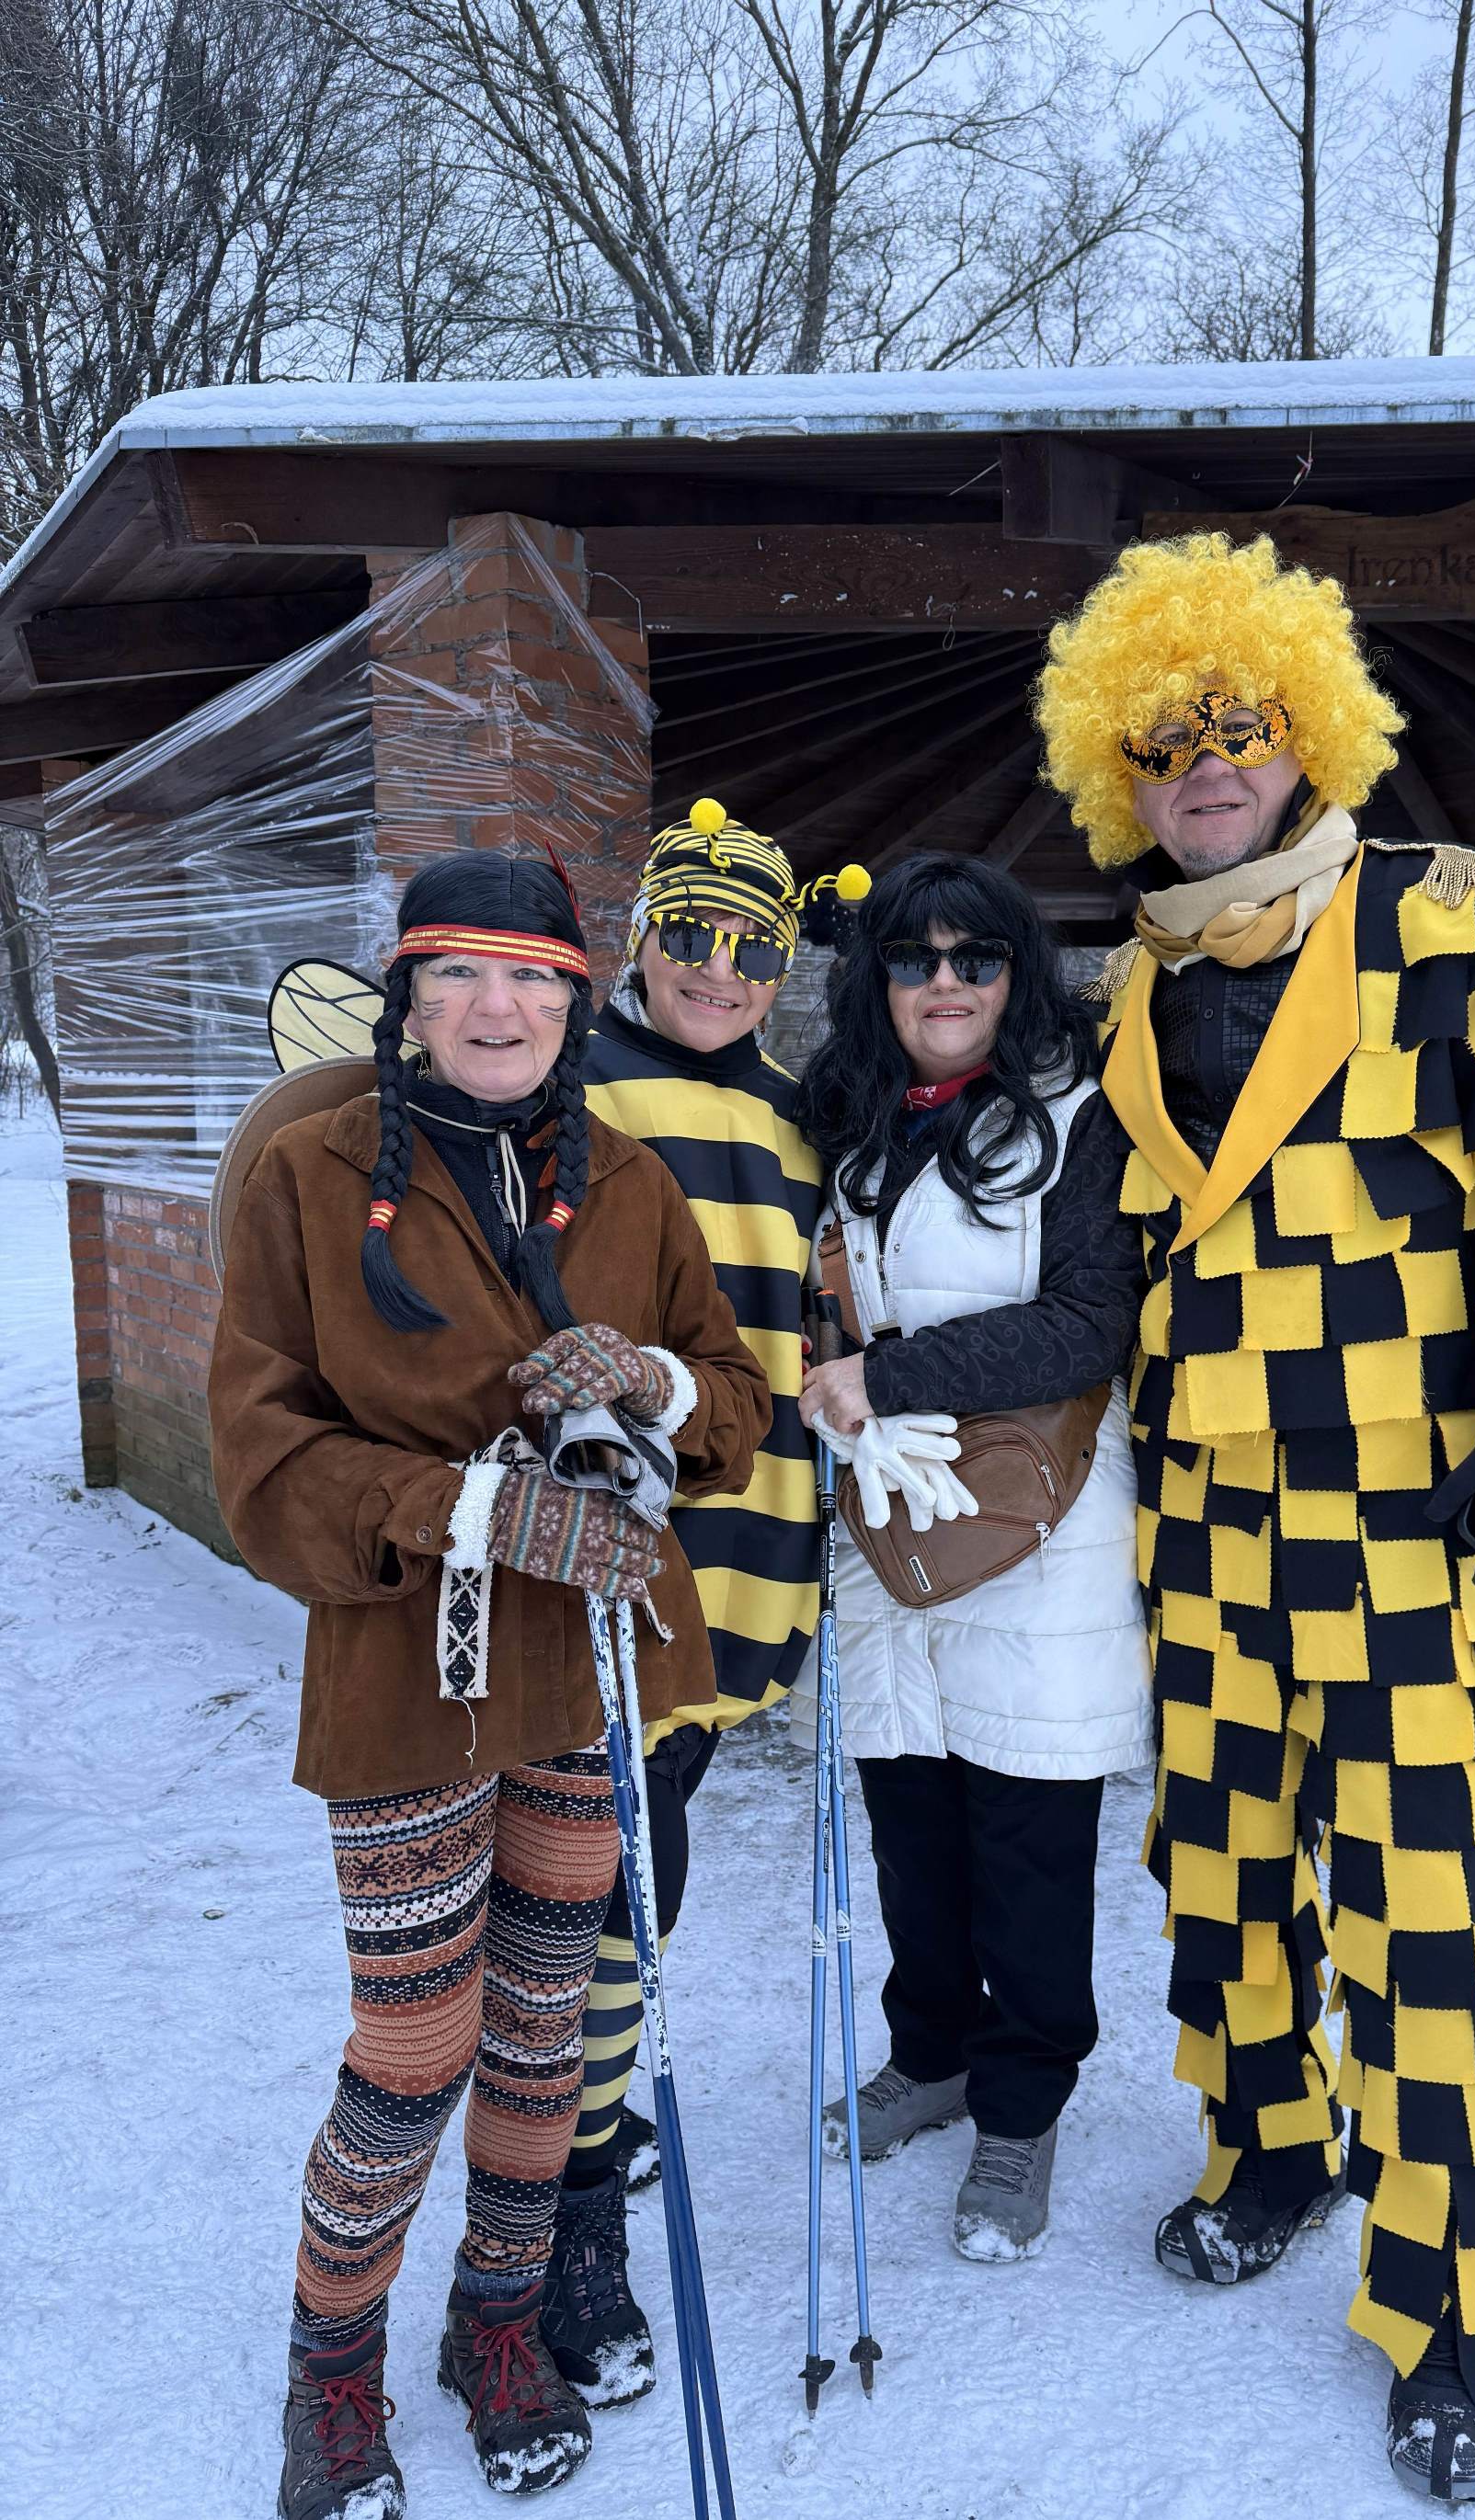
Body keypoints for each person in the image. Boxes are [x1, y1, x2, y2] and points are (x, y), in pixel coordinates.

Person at [1035, 532, 1475, 2504]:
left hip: (1398, 1512)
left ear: (1305, 728)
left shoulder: (1444, 921)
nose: (1201, 762)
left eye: (1236, 723)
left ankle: (1449, 2308)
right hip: (1197, 1515)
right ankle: (1272, 2146)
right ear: (1116, 767)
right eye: (1158, 737)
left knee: (1424, 1908)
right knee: (1217, 1869)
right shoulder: (1134, 978)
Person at [207, 852, 769, 2520]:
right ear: (407, 995)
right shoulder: (308, 1170)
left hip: (589, 1663)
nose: (497, 1006)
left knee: (542, 2026)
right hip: (408, 1668)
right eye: (457, 972)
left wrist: (652, 1382)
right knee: (415, 2040)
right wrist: (467, 1505)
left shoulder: (627, 1176)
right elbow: (260, 1458)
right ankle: (332, 2374)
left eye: (531, 975)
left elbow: (735, 1399)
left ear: (575, 1001)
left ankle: (498, 2322)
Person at [543, 800, 863, 2408]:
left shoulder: (804, 1121)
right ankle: (568, 2191)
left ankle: (588, 2106)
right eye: (689, 935)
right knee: (604, 1870)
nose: (718, 969)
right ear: (640, 936)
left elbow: (822, 1313)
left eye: (752, 947)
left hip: (750, 1540)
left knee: (645, 1848)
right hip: (605, 1542)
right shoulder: (567, 1084)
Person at [794, 852, 1152, 2263]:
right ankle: (931, 2053)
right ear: (875, 980)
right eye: (914, 958)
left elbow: (1088, 1318)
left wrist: (887, 1376)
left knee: (1027, 1842)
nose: (945, 982)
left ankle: (1021, 2104)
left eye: (976, 957)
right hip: (891, 1527)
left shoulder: (1077, 1119)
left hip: (1038, 1534)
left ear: (1018, 976)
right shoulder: (854, 1125)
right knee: (914, 1829)